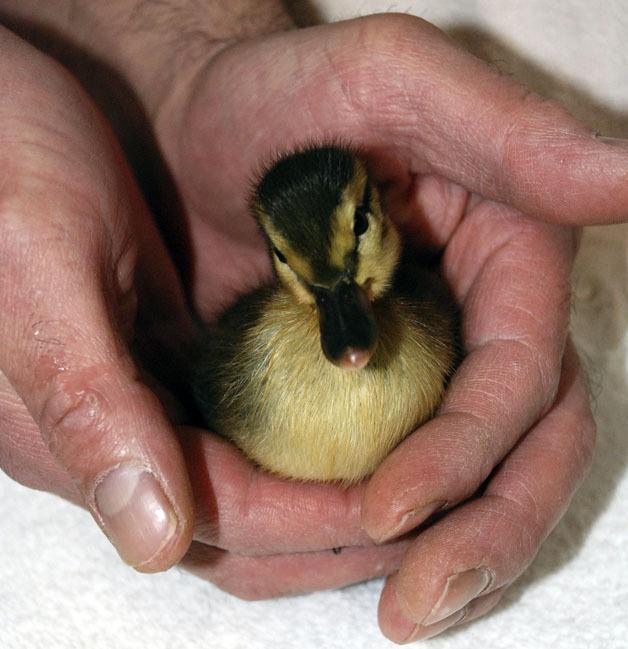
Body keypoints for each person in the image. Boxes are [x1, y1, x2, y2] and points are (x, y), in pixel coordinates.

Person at [0, 0, 623, 642]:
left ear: (378, 210)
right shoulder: (244, 367)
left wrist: (179, 61)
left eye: (357, 228)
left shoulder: (428, 320)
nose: (346, 335)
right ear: (274, 256)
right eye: (293, 263)